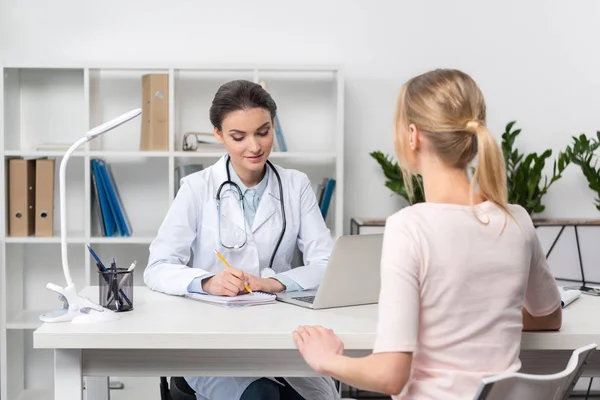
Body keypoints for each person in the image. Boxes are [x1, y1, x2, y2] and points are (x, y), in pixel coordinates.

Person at [293, 69, 562, 400]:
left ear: (412, 136)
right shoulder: (517, 220)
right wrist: (483, 318)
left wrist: (327, 360)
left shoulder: (410, 228)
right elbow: (549, 317)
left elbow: (391, 376)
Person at [144, 80, 339, 400]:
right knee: (259, 396)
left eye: (263, 132)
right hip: (212, 335)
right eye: (238, 136)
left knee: (309, 397)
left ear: (273, 126)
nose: (254, 146)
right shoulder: (196, 187)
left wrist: (273, 283)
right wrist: (206, 282)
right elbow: (158, 267)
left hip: (279, 331)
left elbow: (327, 263)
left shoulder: (295, 185)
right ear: (218, 134)